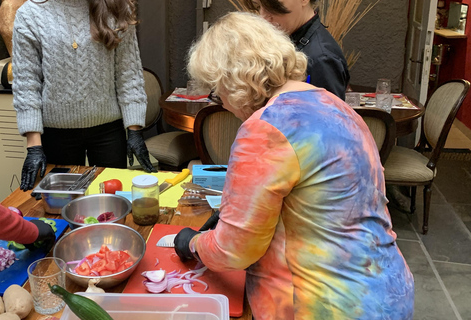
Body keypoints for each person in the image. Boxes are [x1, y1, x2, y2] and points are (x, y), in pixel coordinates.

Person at [174, 12, 414, 320]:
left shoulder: (265, 128)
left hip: (324, 306)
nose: (220, 101)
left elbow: (233, 251)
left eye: (216, 91)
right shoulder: (336, 106)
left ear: (232, 81)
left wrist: (192, 242)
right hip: (386, 291)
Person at [12, 0, 156, 192]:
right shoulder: (29, 14)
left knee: (111, 203)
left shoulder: (117, 7)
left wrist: (135, 130)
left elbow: (129, 74)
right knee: (61, 207)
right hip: (56, 134)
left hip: (109, 132)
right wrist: (34, 146)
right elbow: (27, 83)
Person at [242, 0, 350, 100]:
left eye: (273, 7)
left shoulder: (321, 58)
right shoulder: (292, 41)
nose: (263, 17)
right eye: (258, 6)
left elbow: (328, 119)